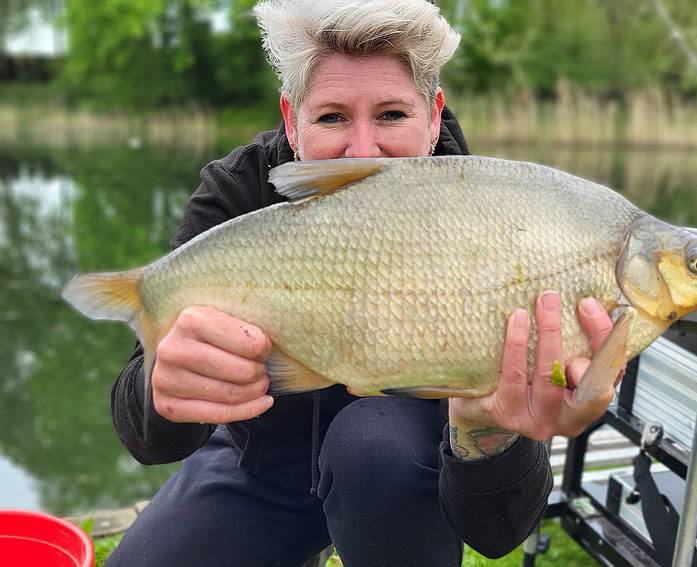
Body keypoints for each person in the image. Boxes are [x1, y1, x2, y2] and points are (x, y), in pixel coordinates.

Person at [106, 2, 618, 566]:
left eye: (392, 115)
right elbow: (143, 433)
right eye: (331, 118)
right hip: (262, 461)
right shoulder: (234, 195)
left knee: (374, 450)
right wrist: (165, 387)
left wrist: (486, 436)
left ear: (433, 116)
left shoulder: (494, 219)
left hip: (402, 464)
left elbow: (498, 533)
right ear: (292, 120)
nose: (364, 149)